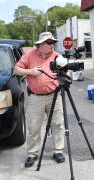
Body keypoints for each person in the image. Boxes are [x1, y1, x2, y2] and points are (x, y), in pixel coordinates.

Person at [14, 32, 65, 168]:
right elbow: (16, 70)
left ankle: (58, 151)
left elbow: (66, 71)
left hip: (54, 95)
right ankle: (32, 153)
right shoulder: (29, 54)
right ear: (40, 44)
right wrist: (30, 71)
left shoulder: (57, 56)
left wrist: (65, 76)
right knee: (34, 127)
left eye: (53, 42)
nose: (52, 45)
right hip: (35, 98)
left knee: (58, 124)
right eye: (49, 42)